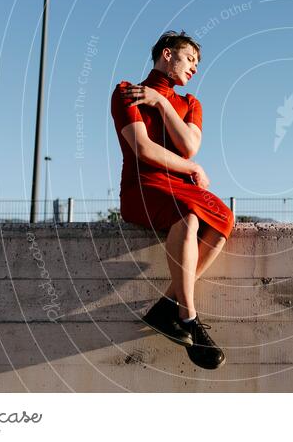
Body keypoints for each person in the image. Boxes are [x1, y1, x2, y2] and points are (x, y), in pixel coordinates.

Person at [110, 31, 234, 370]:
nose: (194, 67)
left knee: (223, 217)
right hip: (143, 187)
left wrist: (162, 103)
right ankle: (188, 316)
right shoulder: (125, 92)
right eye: (190, 58)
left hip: (180, 190)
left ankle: (167, 305)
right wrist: (192, 168)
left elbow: (189, 144)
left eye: (197, 62)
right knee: (189, 215)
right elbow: (144, 149)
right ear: (167, 55)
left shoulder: (190, 104)